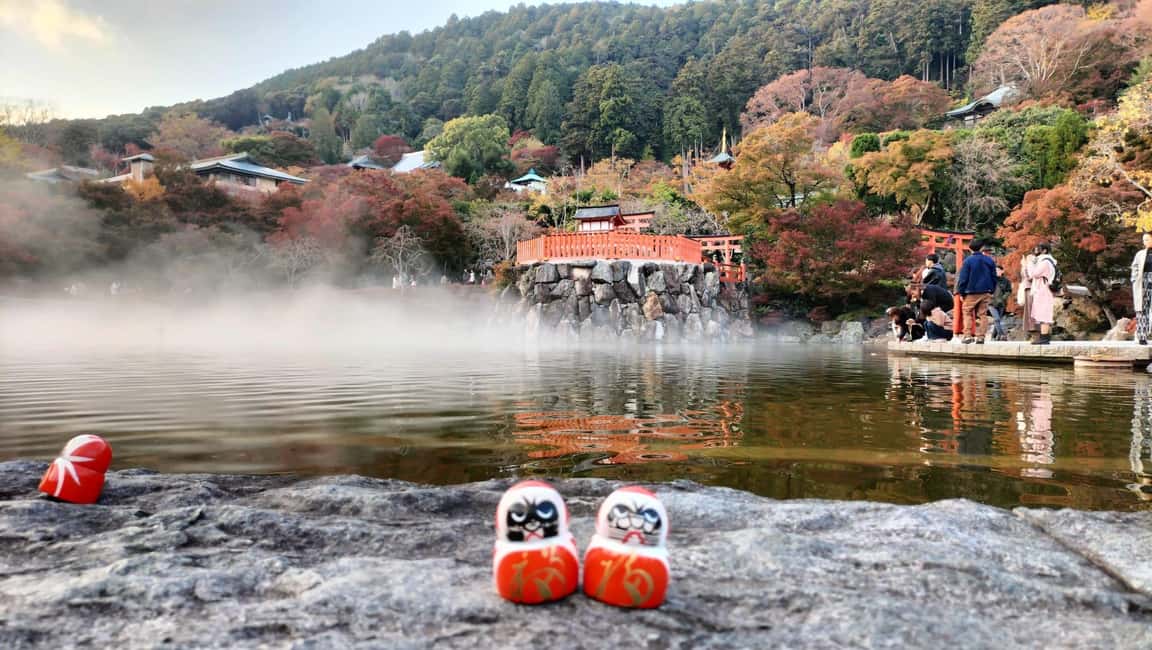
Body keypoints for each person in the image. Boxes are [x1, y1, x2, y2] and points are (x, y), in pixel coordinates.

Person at [955, 239, 998, 344]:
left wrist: (961, 292)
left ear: (970, 249)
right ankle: (981, 337)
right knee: (982, 314)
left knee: (967, 312)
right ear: (982, 248)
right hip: (986, 290)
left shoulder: (968, 261)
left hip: (971, 291)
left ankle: (968, 335)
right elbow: (994, 277)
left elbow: (963, 278)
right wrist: (991, 290)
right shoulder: (989, 260)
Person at [1025, 243, 1058, 345]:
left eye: (1038, 249)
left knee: (1044, 314)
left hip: (1044, 289)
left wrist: (1029, 263)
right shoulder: (1048, 261)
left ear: (1044, 251)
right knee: (1043, 313)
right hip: (1044, 289)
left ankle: (1044, 338)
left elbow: (1034, 274)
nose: (1036, 251)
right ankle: (1044, 337)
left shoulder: (1045, 262)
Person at [1131, 233, 1152, 345]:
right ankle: (1142, 337)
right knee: (1142, 310)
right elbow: (1134, 267)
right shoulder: (1140, 254)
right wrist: (1135, 279)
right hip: (1143, 283)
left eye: (1147, 239)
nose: (1145, 242)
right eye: (1144, 240)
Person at [989, 264, 1012, 341]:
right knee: (997, 319)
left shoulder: (1006, 281)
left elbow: (1009, 291)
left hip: (1002, 303)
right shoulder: (991, 280)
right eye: (995, 270)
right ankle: (1001, 335)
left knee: (998, 320)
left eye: (998, 270)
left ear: (1002, 271)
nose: (996, 272)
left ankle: (993, 337)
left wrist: (1003, 298)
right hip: (991, 303)